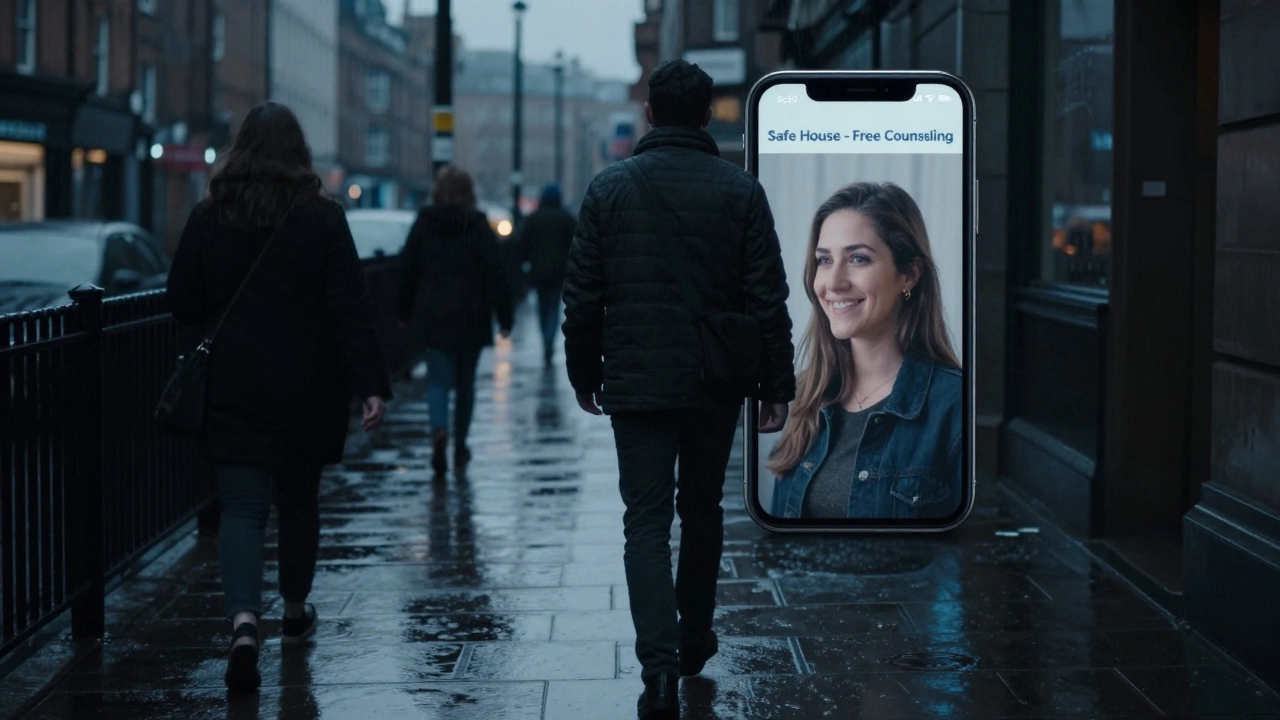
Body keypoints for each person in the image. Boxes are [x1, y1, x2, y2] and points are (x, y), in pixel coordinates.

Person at [562, 59, 795, 720]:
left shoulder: (609, 190)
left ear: (649, 115)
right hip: (714, 383)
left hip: (636, 383)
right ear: (705, 115)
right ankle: (694, 639)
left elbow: (582, 297)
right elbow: (765, 296)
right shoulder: (740, 191)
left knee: (644, 520)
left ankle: (657, 669)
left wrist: (585, 373)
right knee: (702, 511)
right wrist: (777, 384)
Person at [166, 101, 392, 692]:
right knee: (298, 503)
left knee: (241, 509)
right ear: (299, 152)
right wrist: (370, 386)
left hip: (234, 386)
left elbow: (182, 301)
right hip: (307, 387)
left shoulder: (209, 215)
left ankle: (244, 624)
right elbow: (351, 309)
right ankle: (292, 615)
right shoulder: (322, 218)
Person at [766, 182, 962, 520]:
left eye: (858, 258)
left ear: (910, 274)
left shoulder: (954, 406)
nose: (834, 281)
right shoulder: (804, 395)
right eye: (824, 260)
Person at [398, 165, 514, 477]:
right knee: (465, 386)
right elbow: (496, 274)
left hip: (433, 315)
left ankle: (439, 429)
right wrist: (505, 316)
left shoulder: (424, 222)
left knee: (437, 382)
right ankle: (460, 445)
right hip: (471, 316)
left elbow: (407, 267)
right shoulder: (477, 225)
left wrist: (402, 311)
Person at [518, 183, 577, 366]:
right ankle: (549, 338)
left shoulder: (533, 218)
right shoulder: (566, 219)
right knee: (553, 306)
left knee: (542, 307)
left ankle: (545, 336)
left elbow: (522, 244)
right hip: (559, 271)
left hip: (538, 271)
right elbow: (575, 245)